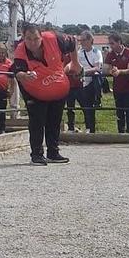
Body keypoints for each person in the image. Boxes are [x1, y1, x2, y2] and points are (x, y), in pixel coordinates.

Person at [12, 22, 77, 165]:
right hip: (33, 90)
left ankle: (53, 152)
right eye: (28, 39)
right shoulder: (20, 51)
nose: (32, 42)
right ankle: (36, 154)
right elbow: (17, 72)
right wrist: (26, 76)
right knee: (37, 121)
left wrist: (76, 63)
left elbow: (73, 43)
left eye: (36, 38)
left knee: (54, 120)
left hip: (56, 85)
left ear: (41, 36)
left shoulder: (55, 38)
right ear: (23, 38)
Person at [105, 33, 129, 133]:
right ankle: (120, 131)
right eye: (109, 43)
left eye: (112, 43)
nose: (111, 46)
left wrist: (119, 72)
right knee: (119, 111)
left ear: (119, 42)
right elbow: (106, 68)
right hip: (117, 87)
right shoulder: (110, 54)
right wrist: (112, 71)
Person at [75, 30, 105, 134]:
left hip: (91, 82)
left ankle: (91, 129)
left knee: (89, 107)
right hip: (80, 82)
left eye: (83, 40)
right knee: (84, 107)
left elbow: (97, 68)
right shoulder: (79, 53)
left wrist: (84, 72)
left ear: (89, 40)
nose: (81, 42)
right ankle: (87, 127)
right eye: (80, 40)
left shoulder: (96, 53)